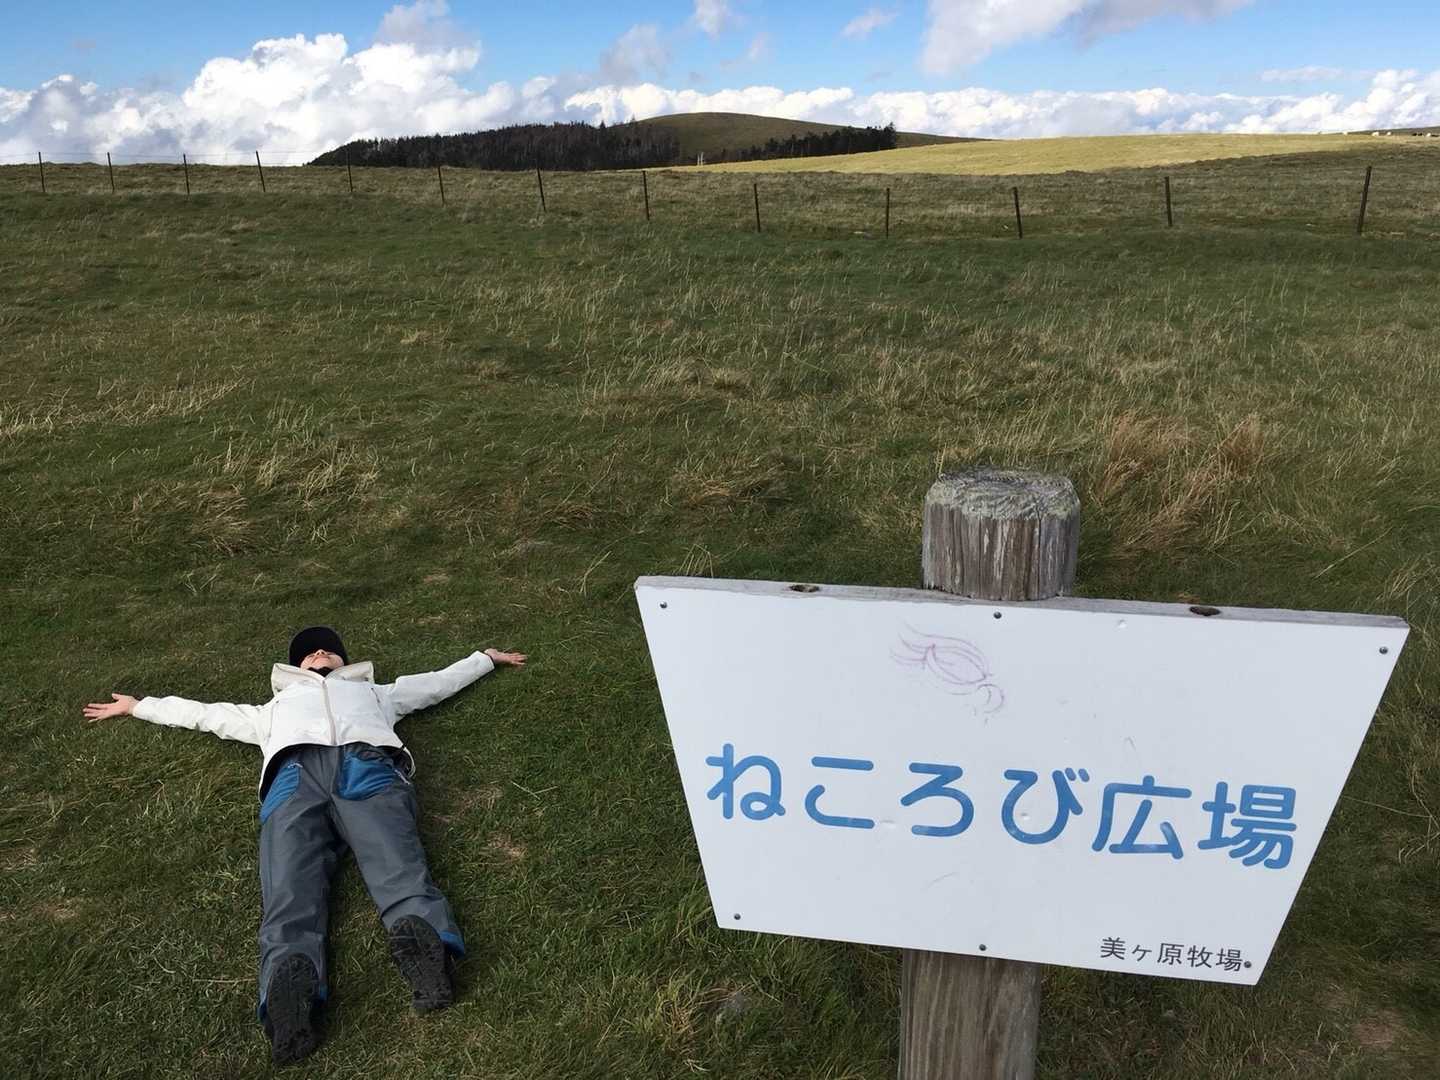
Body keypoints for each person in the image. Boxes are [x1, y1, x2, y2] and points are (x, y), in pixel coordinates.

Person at [82, 625, 527, 1066]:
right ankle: (290, 998)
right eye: (309, 652)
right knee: (288, 890)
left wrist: (484, 660)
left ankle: (428, 960)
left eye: (328, 650)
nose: (319, 653)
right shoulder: (272, 709)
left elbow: (433, 684)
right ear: (296, 667)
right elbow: (208, 714)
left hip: (365, 767)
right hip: (292, 781)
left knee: (398, 866)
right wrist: (139, 706)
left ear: (344, 661)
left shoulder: (376, 693)